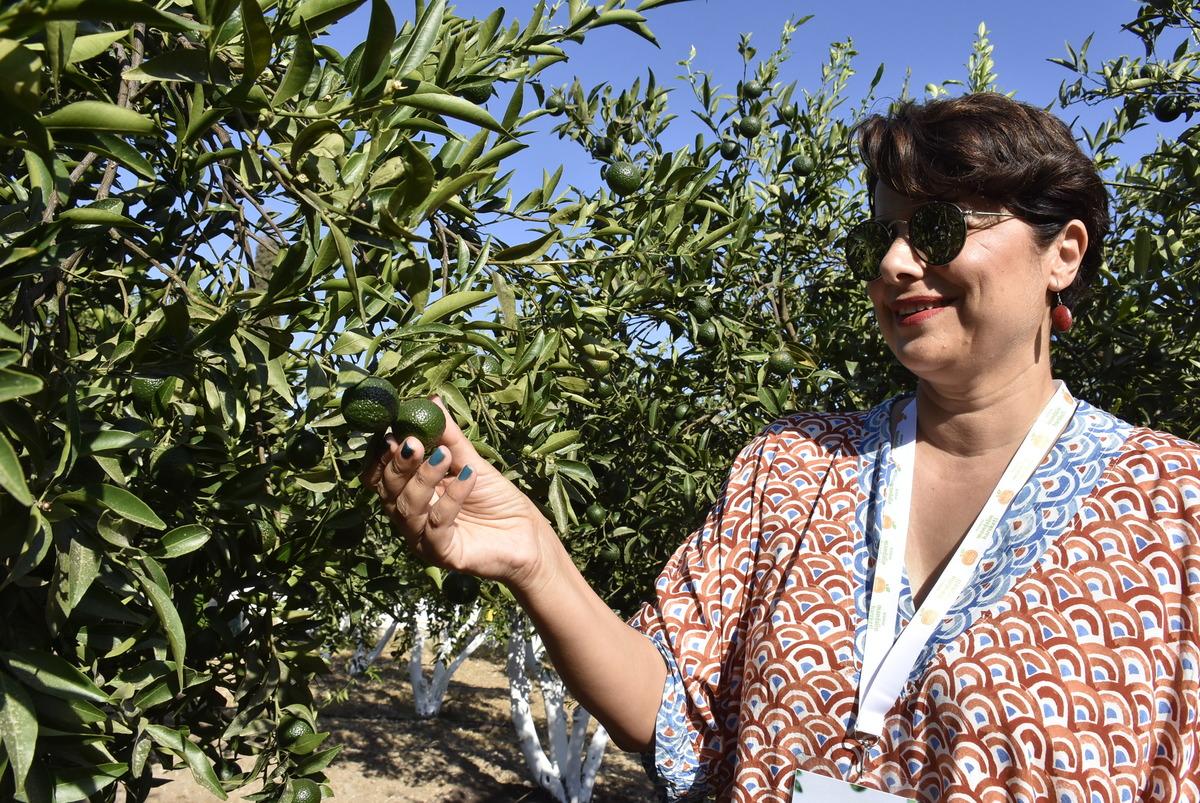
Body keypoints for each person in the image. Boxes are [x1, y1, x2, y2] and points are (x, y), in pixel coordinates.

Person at [362, 92, 1200, 802]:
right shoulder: (793, 465)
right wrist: (534, 557)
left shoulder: (1176, 509)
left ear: (1063, 251)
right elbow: (676, 709)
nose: (897, 262)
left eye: (938, 226)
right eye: (882, 235)